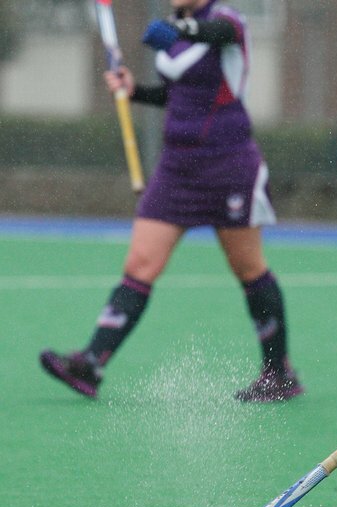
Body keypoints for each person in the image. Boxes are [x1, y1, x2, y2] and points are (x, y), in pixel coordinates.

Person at [39, 0, 302, 402]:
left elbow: (219, 36)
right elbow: (181, 94)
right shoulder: (177, 26)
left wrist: (179, 31)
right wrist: (135, 90)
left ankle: (278, 373)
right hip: (176, 168)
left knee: (249, 267)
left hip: (227, 163)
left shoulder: (226, 21)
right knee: (139, 265)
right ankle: (92, 362)